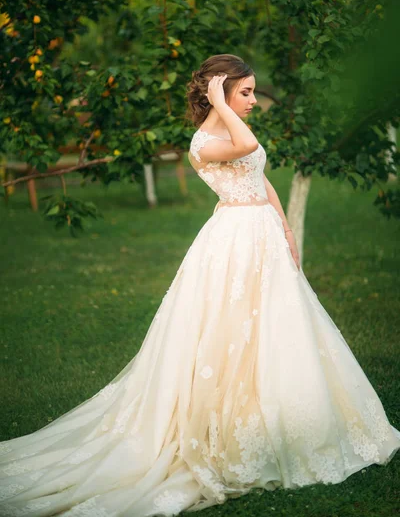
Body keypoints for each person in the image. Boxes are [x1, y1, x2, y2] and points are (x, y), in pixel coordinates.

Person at [0, 54, 399, 517]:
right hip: (233, 241)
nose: (253, 101)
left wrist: (286, 229)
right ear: (220, 92)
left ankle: (286, 415)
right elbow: (248, 148)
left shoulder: (231, 128)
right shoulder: (204, 142)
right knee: (231, 332)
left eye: (252, 92)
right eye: (244, 92)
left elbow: (261, 177)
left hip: (263, 235)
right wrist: (222, 107)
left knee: (277, 327)